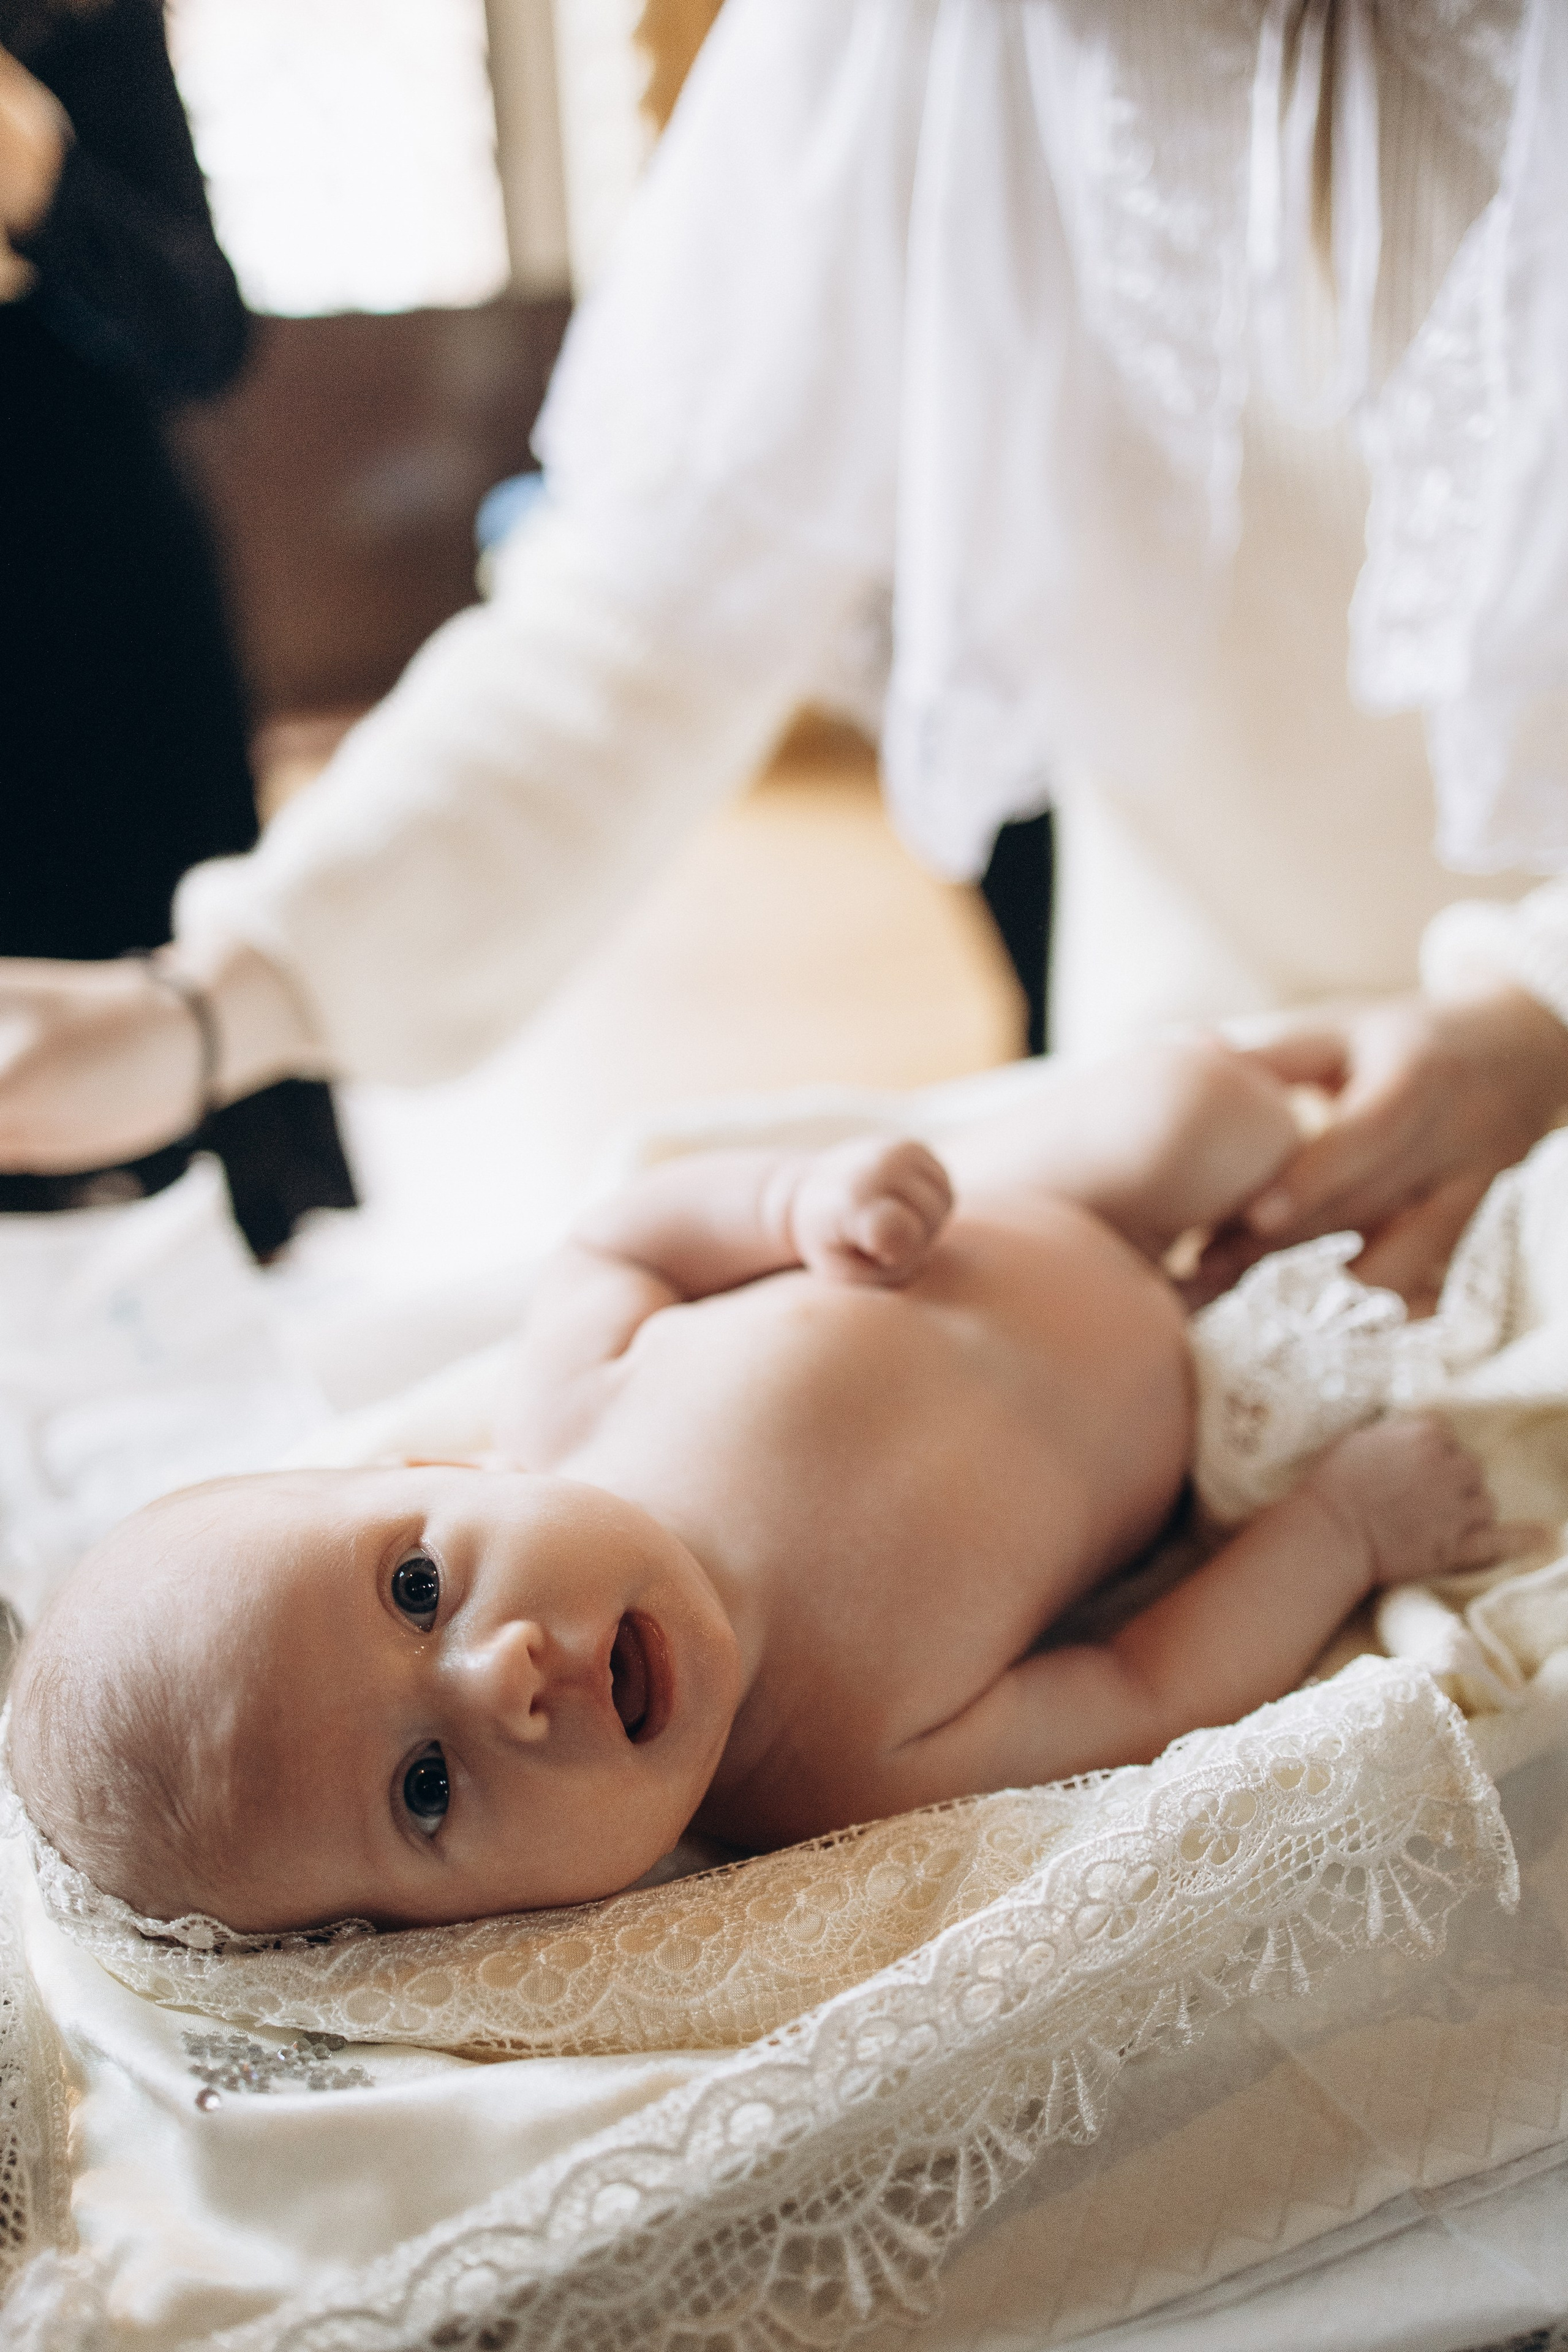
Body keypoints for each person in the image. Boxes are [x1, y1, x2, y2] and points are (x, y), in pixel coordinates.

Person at [4, 1, 1568, 1301]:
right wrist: (213, 996)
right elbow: (642, 612)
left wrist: (1535, 1020)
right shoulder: (902, 38)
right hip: (1207, 1136)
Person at [7, 1037, 1531, 1931]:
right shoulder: (846, 1763)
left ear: (425, 1469)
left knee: (1199, 1108)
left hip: (1025, 1207)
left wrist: (795, 1198)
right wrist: (1336, 1531)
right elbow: (1142, 1684)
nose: (507, 1675)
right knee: (1425, 1299)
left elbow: (625, 1242)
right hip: (1207, 1398)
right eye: (425, 1789)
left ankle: (1381, 1057)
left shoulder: (570, 1409)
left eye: (416, 1586)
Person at [0, 0, 354, 1255]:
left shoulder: (69, 24)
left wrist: (47, 194)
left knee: (175, 1133)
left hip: (98, 624)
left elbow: (204, 336)